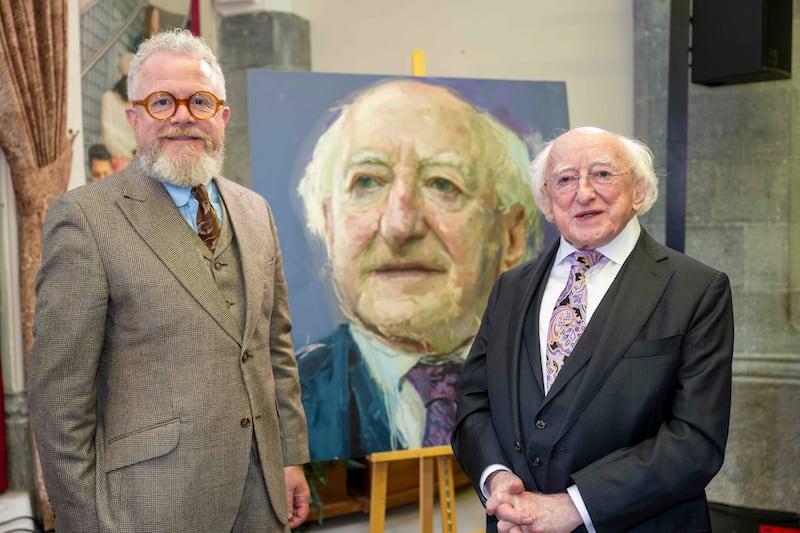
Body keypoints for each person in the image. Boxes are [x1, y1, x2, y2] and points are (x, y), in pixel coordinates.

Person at [28, 29, 310, 532]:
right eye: (162, 101)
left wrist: (289, 458)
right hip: (149, 508)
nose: (183, 115)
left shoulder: (255, 212)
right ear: (134, 117)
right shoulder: (85, 218)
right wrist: (85, 521)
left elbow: (274, 351)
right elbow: (59, 400)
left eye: (200, 101)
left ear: (222, 117)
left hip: (260, 498)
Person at [451, 126, 734, 532]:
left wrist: (572, 508)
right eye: (565, 179)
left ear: (638, 191)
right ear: (548, 201)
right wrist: (497, 479)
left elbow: (696, 440)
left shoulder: (697, 290)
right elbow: (473, 399)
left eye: (602, 174)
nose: (583, 193)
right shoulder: (510, 288)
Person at [296, 79, 539, 460]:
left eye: (443, 183)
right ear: (329, 227)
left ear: (511, 235)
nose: (400, 224)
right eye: (367, 182)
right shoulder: (288, 399)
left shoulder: (555, 383)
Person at [100, 52, 136, 171]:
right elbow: (108, 137)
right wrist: (128, 156)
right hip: (113, 161)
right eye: (127, 79)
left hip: (134, 163)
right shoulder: (109, 98)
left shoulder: (138, 104)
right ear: (121, 77)